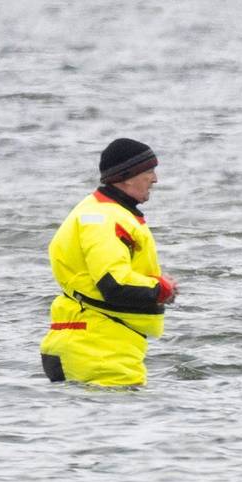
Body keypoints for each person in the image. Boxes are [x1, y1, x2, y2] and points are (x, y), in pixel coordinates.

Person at [40, 137, 178, 387]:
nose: (155, 179)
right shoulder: (104, 219)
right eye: (149, 171)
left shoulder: (98, 209)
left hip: (95, 341)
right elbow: (114, 285)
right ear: (126, 177)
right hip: (98, 350)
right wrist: (160, 289)